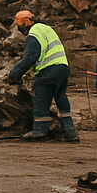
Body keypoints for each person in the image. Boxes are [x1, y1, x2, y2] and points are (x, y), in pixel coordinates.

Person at [6, 10, 78, 141]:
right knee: (61, 98)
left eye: (19, 23)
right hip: (62, 67)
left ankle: (40, 130)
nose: (19, 27)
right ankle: (70, 131)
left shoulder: (34, 34)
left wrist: (14, 74)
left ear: (26, 21)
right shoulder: (46, 28)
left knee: (41, 99)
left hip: (49, 70)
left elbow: (30, 57)